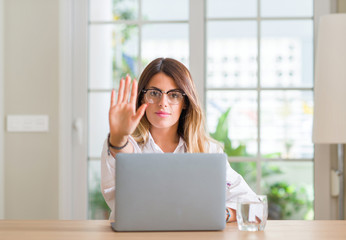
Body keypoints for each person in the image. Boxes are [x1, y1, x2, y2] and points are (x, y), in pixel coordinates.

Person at [101, 57, 257, 222]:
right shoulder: (123, 142)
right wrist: (118, 140)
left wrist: (222, 213)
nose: (163, 103)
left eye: (174, 95)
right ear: (142, 98)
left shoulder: (206, 150)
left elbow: (254, 205)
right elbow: (122, 156)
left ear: (185, 102)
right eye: (154, 93)